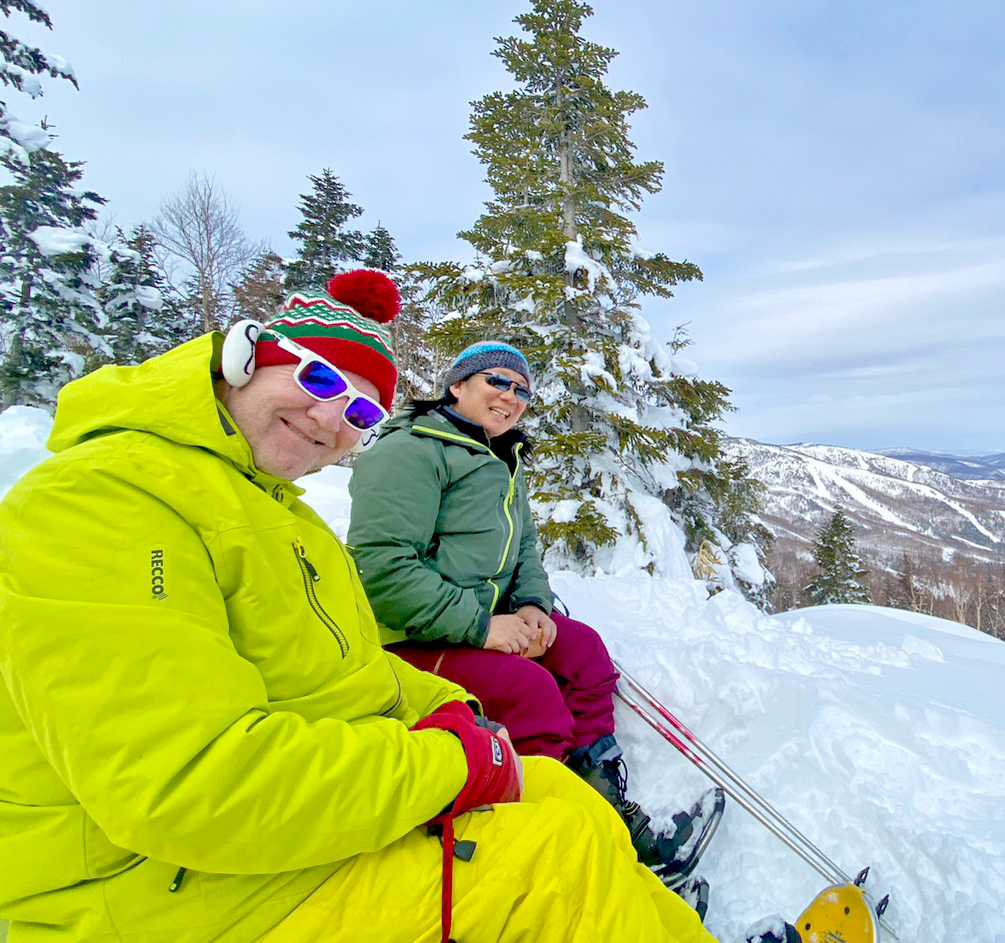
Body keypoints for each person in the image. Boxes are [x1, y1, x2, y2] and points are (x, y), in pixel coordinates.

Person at [0, 272, 715, 943]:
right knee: (548, 851)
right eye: (315, 376)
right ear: (248, 357)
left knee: (563, 779)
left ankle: (638, 876)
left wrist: (509, 635)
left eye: (360, 408)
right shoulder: (105, 502)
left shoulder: (280, 510)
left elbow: (354, 664)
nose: (330, 417)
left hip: (254, 844)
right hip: (160, 892)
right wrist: (467, 709)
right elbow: (187, 781)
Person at [346, 341, 723, 886]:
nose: (511, 397)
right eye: (497, 382)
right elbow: (381, 572)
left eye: (522, 390)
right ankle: (568, 837)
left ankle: (602, 803)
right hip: (409, 638)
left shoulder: (503, 457)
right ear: (457, 385)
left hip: (483, 617)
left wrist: (531, 605)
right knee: (531, 691)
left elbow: (524, 549)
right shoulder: (412, 450)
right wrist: (481, 626)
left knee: (585, 653)